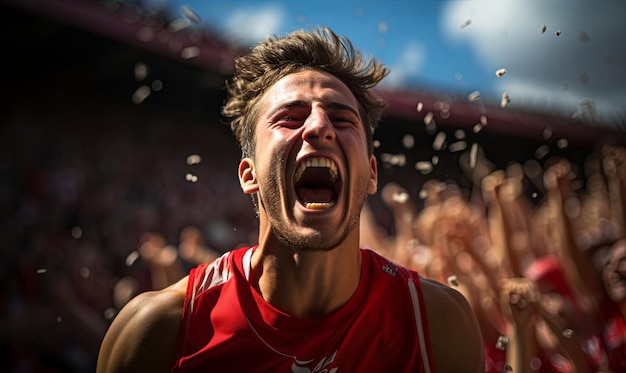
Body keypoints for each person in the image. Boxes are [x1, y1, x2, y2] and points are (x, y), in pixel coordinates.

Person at [96, 26, 484, 372]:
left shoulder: (435, 324)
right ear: (249, 174)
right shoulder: (159, 331)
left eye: (342, 119)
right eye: (290, 117)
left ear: (371, 174)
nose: (319, 127)